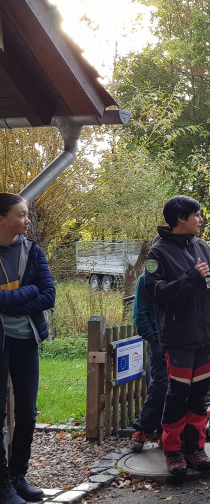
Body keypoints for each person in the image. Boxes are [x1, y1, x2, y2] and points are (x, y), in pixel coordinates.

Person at [145, 195, 210, 477]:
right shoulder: (157, 253)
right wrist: (190, 278)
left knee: (199, 394)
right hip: (179, 336)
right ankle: (172, 452)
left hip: (207, 333)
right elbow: (157, 292)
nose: (201, 220)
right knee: (177, 394)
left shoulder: (201, 246)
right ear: (181, 219)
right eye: (196, 215)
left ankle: (196, 450)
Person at [0, 193, 55, 504]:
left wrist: (9, 302)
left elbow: (47, 295)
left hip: (26, 340)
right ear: (2, 219)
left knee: (27, 412)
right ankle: (2, 484)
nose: (27, 220)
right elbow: (36, 292)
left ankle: (18, 476)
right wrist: (26, 292)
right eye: (21, 215)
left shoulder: (33, 251)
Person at [128, 261, 168, 452]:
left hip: (181, 341)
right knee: (159, 385)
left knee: (177, 388)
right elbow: (140, 315)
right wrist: (154, 340)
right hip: (158, 341)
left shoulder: (178, 275)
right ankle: (142, 429)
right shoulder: (145, 280)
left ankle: (164, 430)